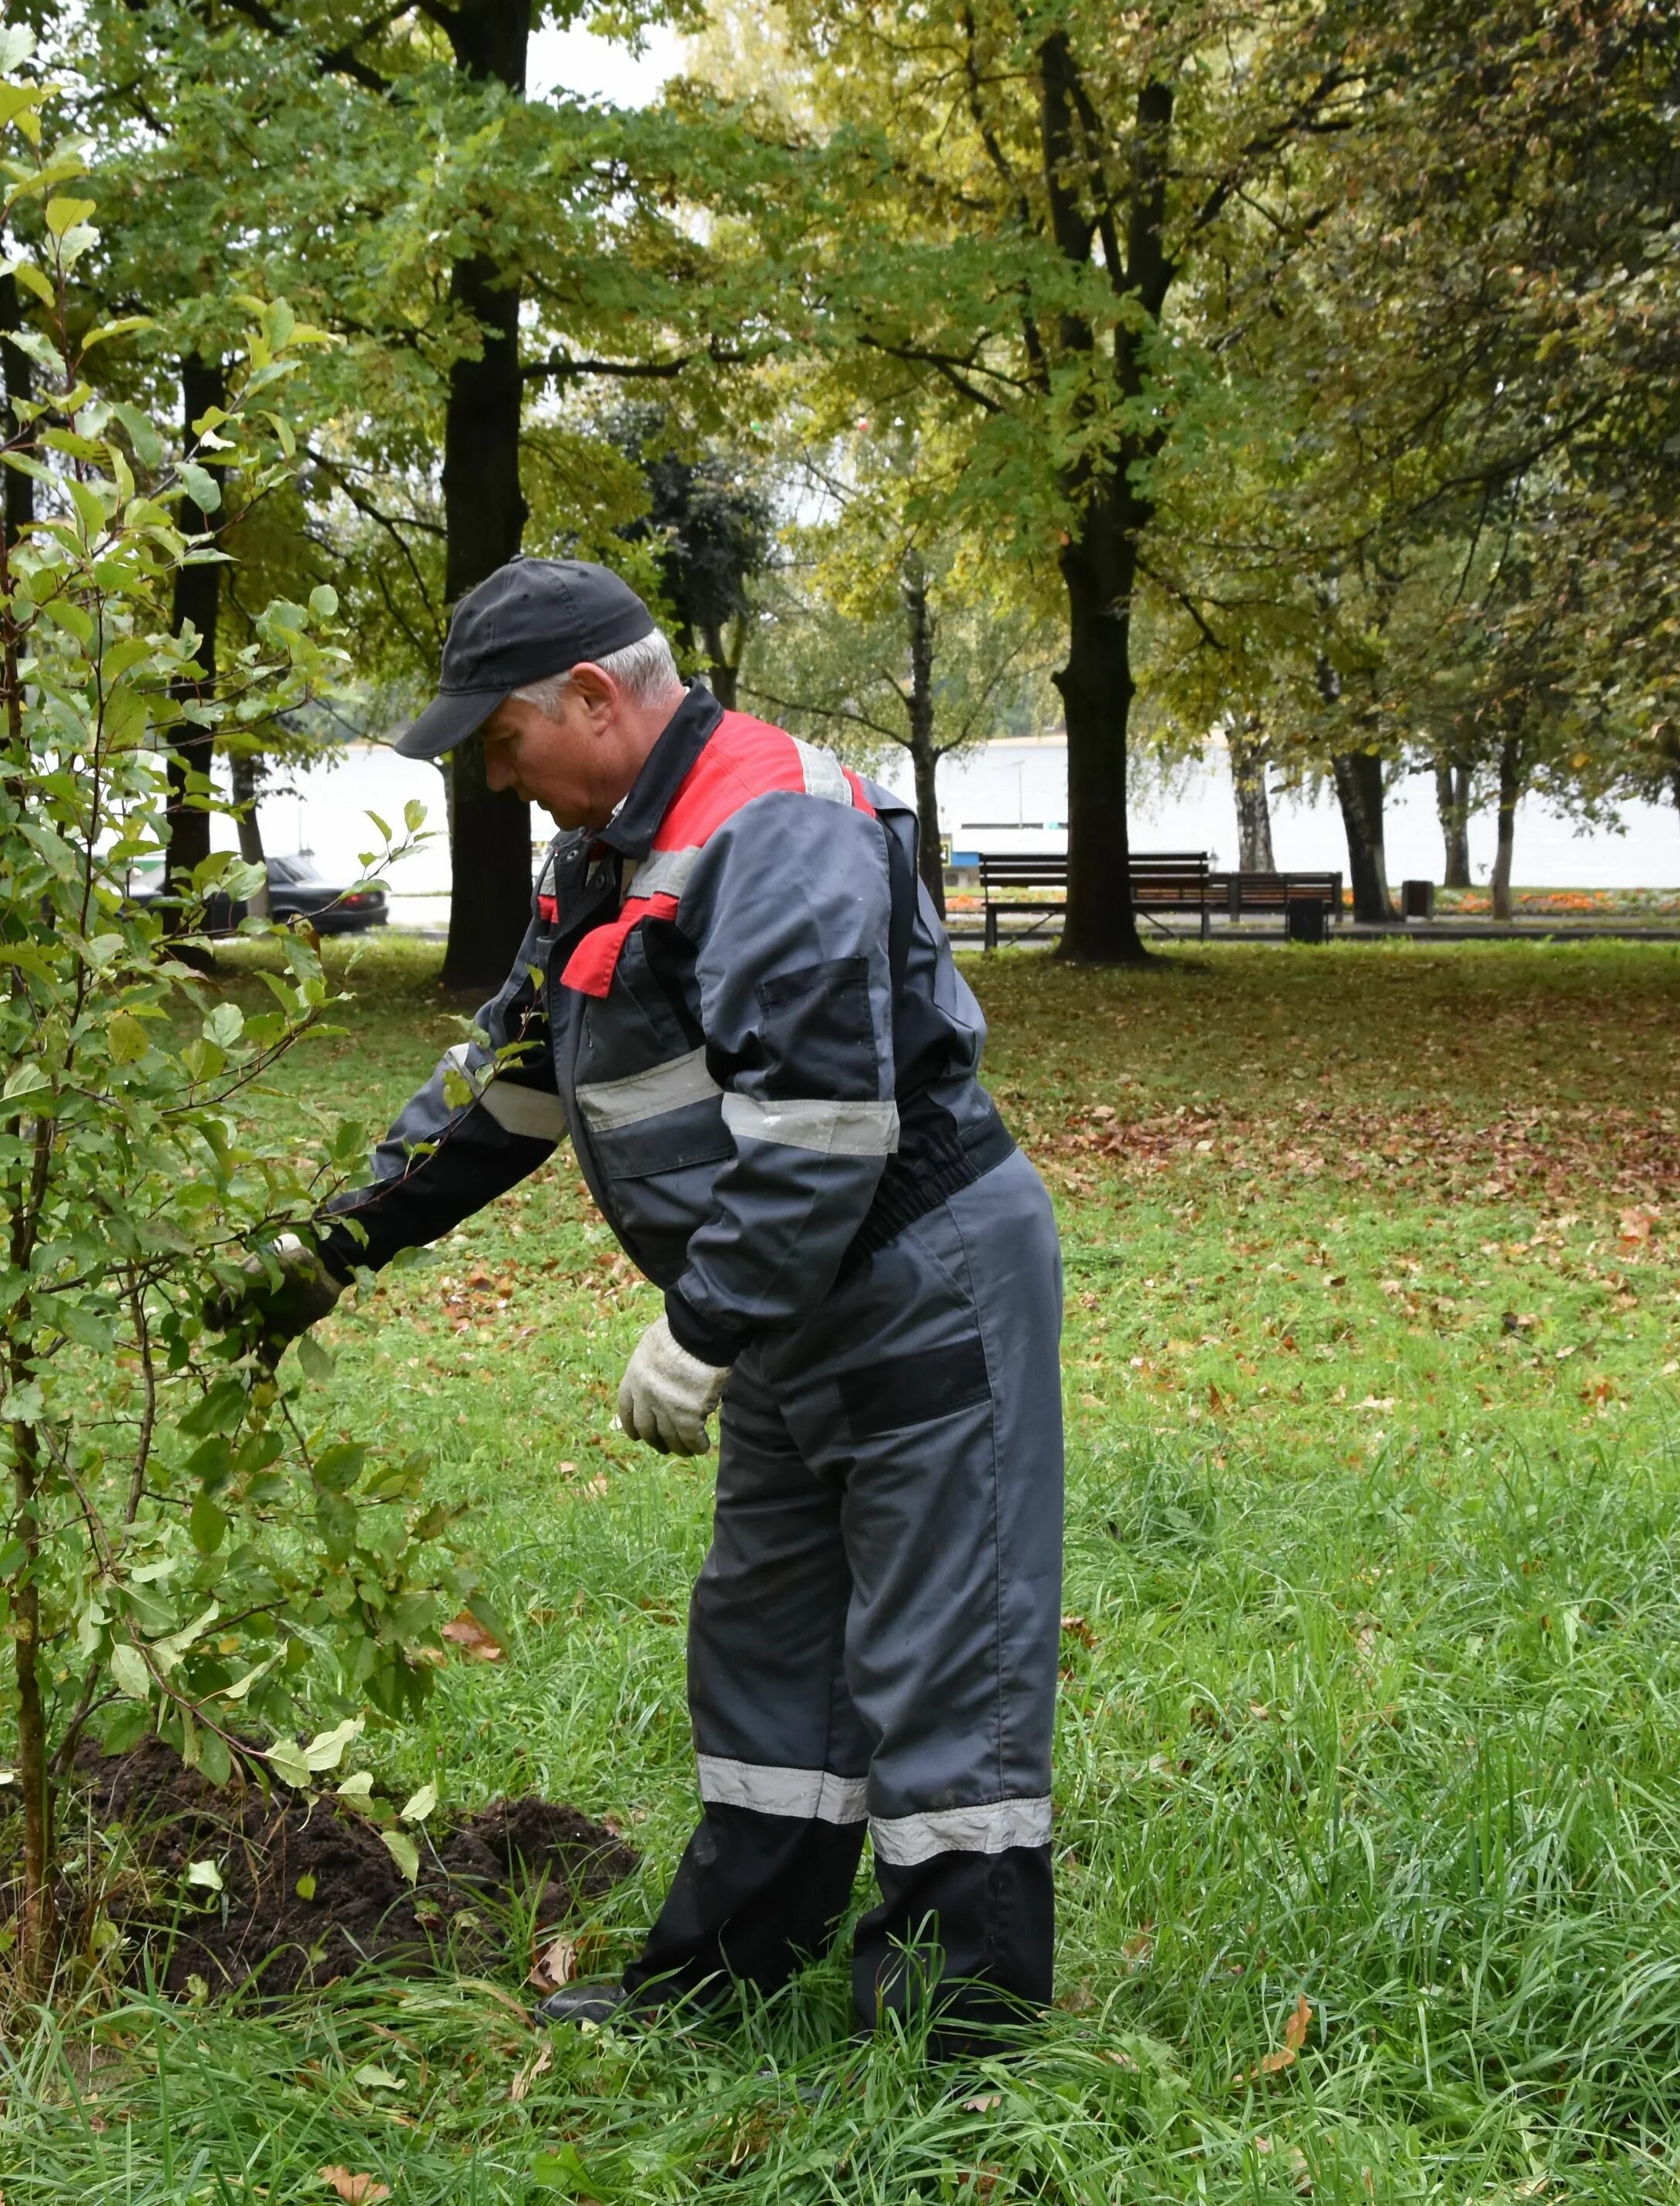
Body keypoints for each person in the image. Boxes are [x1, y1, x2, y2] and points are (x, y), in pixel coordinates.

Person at [230, 557, 1064, 2049]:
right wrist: (330, 1249)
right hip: (788, 1300)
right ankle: (727, 1983)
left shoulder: (775, 822)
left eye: (503, 743)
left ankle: (959, 2045)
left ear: (596, 697)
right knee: (767, 1638)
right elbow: (511, 1087)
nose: (501, 778)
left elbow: (820, 1125)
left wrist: (701, 1327)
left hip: (914, 1277)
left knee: (939, 1654)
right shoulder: (612, 850)